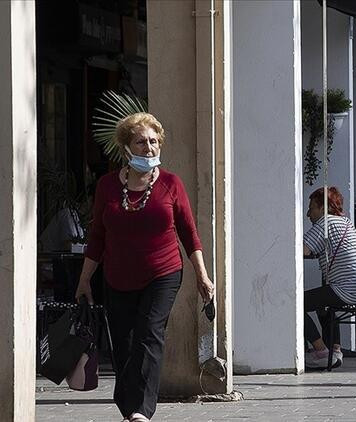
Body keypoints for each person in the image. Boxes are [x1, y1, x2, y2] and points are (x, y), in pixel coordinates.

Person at [74, 113, 214, 422]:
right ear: (126, 147)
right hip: (117, 276)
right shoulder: (108, 186)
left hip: (162, 273)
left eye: (153, 141)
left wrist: (202, 275)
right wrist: (85, 279)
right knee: (123, 344)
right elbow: (97, 236)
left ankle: (141, 411)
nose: (148, 148)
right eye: (141, 142)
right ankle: (128, 407)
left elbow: (189, 233)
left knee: (149, 335)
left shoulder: (170, 184)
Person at [302, 186, 356, 369]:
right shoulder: (345, 223)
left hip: (351, 288)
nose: (308, 213)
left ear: (323, 208)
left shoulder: (325, 223)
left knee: (296, 304)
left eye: (311, 207)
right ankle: (335, 351)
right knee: (324, 304)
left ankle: (321, 352)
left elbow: (301, 250)